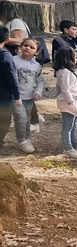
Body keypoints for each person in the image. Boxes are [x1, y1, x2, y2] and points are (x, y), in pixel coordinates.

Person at [53, 47, 77, 158]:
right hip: (68, 104)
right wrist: (70, 103)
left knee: (74, 126)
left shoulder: (68, 72)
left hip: (73, 103)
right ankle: (68, 148)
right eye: (74, 57)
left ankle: (75, 146)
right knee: (68, 127)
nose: (76, 60)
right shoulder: (64, 72)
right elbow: (65, 89)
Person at [12, 38, 43, 153]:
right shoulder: (13, 60)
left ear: (36, 52)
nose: (27, 48)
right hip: (15, 97)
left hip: (29, 98)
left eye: (31, 47)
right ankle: (22, 141)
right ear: (20, 47)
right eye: (25, 45)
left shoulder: (36, 65)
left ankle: (27, 139)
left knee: (27, 120)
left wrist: (38, 92)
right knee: (21, 118)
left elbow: (40, 81)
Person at [0, 26, 19, 155]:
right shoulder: (5, 56)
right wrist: (17, 95)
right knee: (4, 120)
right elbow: (12, 77)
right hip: (3, 95)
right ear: (7, 40)